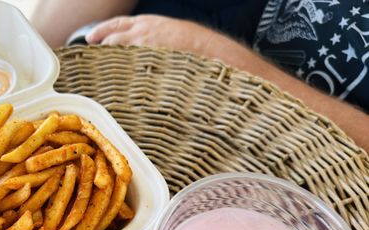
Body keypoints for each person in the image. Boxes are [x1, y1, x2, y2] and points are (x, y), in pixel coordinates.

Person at [31, 0, 369, 152]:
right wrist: (26, 68)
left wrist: (222, 58)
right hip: (124, 65)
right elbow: (40, 44)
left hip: (285, 160)